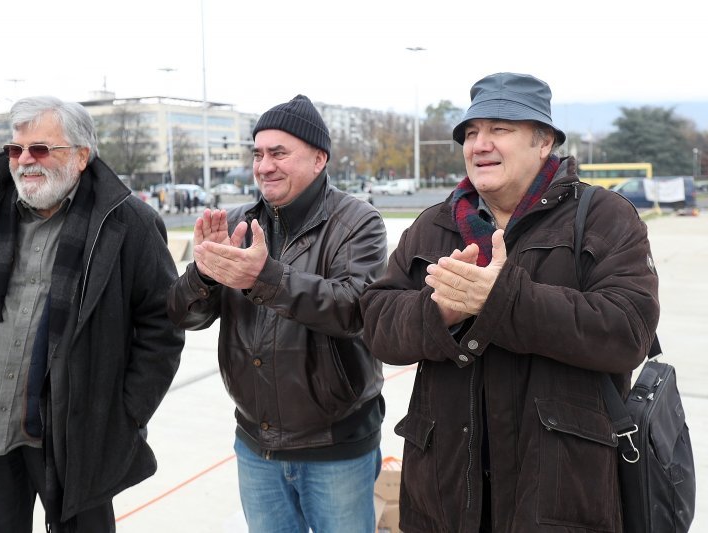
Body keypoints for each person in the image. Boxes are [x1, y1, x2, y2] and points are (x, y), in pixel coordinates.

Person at [359, 73, 660, 532]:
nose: (480, 144)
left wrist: (502, 300)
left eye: (500, 129)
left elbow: (627, 331)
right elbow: (378, 323)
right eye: (471, 133)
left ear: (544, 143)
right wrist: (440, 312)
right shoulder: (433, 225)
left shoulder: (603, 216)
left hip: (559, 496)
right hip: (443, 500)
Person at [0, 96, 185, 532]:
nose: (24, 162)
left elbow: (163, 325)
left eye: (40, 149)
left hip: (77, 436)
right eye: (15, 150)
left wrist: (124, 413)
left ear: (80, 156)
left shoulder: (127, 222)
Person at [167, 94, 389, 532]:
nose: (264, 165)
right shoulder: (235, 222)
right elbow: (183, 315)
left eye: (279, 153)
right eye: (258, 154)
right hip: (255, 442)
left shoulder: (358, 223)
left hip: (336, 445)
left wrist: (265, 277)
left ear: (319, 158)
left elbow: (355, 309)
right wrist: (204, 276)